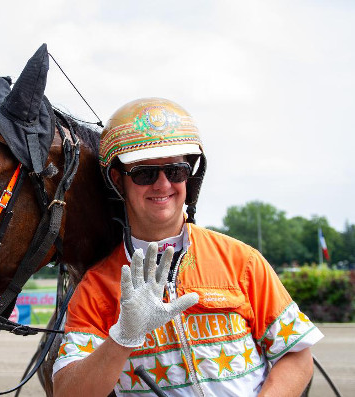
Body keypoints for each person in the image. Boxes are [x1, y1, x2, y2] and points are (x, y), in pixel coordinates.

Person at [52, 98, 323, 396]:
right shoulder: (95, 287)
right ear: (118, 180)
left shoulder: (241, 261)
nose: (163, 184)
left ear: (189, 177)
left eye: (175, 171)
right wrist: (122, 338)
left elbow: (296, 355)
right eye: (145, 173)